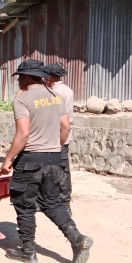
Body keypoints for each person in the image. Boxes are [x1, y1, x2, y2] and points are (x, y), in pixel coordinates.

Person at [0, 59, 92, 263]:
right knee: (52, 202)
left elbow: (23, 134)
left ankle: (28, 251)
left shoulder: (22, 100)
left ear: (25, 77)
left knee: (24, 204)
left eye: (19, 77)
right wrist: (53, 147)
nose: (18, 82)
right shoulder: (55, 96)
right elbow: (66, 128)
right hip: (54, 158)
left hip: (31, 159)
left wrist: (8, 159)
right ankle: (76, 238)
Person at [44, 63, 74, 217]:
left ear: (50, 77)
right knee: (61, 169)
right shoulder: (66, 90)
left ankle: (64, 203)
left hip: (58, 135)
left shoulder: (55, 93)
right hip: (62, 134)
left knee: (60, 171)